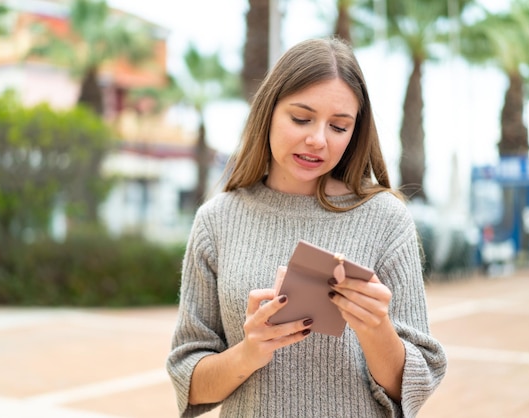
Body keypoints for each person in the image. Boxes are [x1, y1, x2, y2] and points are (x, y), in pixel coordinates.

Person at [166, 37, 447, 418]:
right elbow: (191, 383)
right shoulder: (217, 220)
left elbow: (413, 386)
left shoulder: (386, 219)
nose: (317, 140)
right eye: (301, 118)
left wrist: (375, 327)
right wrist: (250, 351)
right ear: (268, 112)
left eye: (339, 126)